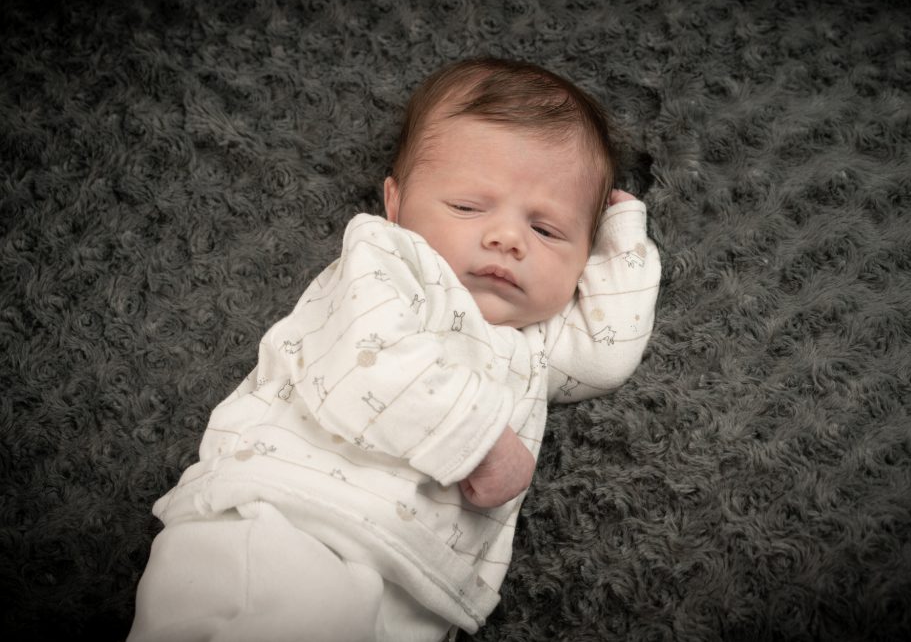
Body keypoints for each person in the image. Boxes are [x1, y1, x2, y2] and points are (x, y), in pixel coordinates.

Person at [129, 57, 661, 642]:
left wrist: (621, 229)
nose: (507, 238)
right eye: (467, 206)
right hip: (287, 520)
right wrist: (481, 442)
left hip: (417, 586)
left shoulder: (535, 341)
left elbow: (608, 353)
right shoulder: (388, 263)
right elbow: (369, 363)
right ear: (396, 203)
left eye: (548, 231)